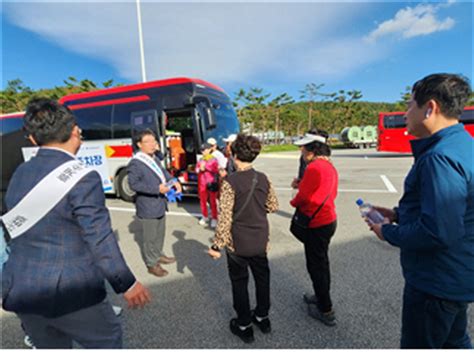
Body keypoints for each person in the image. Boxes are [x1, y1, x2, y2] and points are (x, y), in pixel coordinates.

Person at [2, 98, 150, 349]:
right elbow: (99, 237)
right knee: (107, 343)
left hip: (23, 292)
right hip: (74, 294)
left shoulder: (21, 173)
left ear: (34, 138)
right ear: (75, 131)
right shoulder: (83, 177)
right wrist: (127, 283)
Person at [368, 73, 473, 349]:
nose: (406, 113)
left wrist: (388, 231)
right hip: (456, 274)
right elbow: (452, 210)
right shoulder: (462, 145)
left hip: (436, 282)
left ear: (431, 108)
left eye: (411, 104)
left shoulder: (439, 157)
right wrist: (398, 215)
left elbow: (439, 230)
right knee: (454, 341)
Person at [208, 134, 279, 344]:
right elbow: (273, 205)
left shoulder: (230, 182)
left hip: (237, 242)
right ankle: (262, 316)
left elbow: (225, 216)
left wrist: (216, 245)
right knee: (262, 278)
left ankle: (244, 324)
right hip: (260, 238)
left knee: (240, 282)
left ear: (235, 154)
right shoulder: (263, 177)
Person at [290, 130, 339, 327]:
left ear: (312, 150)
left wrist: (294, 200)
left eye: (304, 147)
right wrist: (302, 184)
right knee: (321, 262)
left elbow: (304, 198)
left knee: (316, 266)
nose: (301, 150)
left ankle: (325, 309)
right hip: (327, 219)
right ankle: (320, 296)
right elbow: (322, 189)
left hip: (316, 223)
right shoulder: (327, 165)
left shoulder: (313, 167)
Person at [127, 129, 181, 277]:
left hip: (160, 204)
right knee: (150, 237)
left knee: (160, 234)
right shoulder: (136, 163)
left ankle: (159, 255)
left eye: (154, 141)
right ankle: (152, 264)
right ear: (139, 144)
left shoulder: (154, 159)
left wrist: (174, 181)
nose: (152, 144)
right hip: (148, 205)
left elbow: (164, 173)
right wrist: (156, 189)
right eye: (148, 141)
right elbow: (134, 184)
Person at [196, 142, 219, 228]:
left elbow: (216, 169)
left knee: (212, 201)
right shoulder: (201, 159)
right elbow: (196, 169)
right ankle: (205, 216)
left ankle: (214, 217)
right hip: (202, 183)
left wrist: (206, 167)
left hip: (211, 182)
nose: (203, 151)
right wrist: (199, 169)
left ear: (209, 149)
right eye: (202, 150)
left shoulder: (213, 159)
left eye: (205, 149)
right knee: (202, 201)